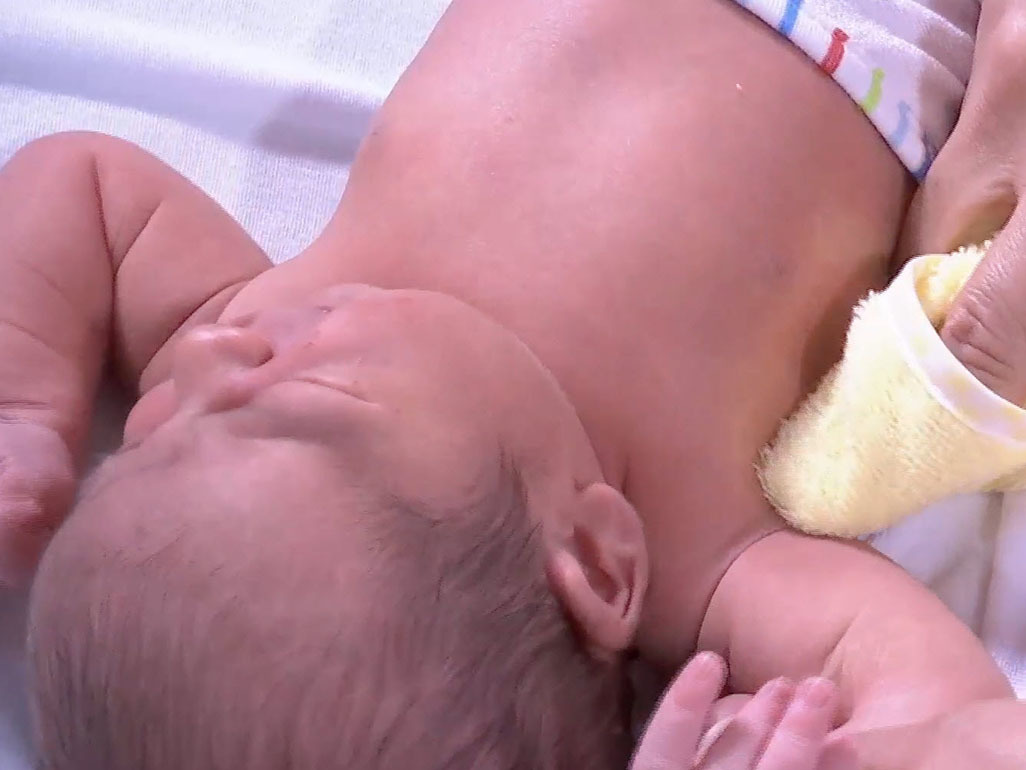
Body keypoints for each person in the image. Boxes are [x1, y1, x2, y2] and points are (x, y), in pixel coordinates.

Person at [3, 0, 1024, 767]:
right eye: (302, 397)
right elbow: (962, 716)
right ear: (592, 557)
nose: (213, 358)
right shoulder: (700, 555)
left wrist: (27, 407)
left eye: (141, 434)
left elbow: (77, 184)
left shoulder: (260, 323)